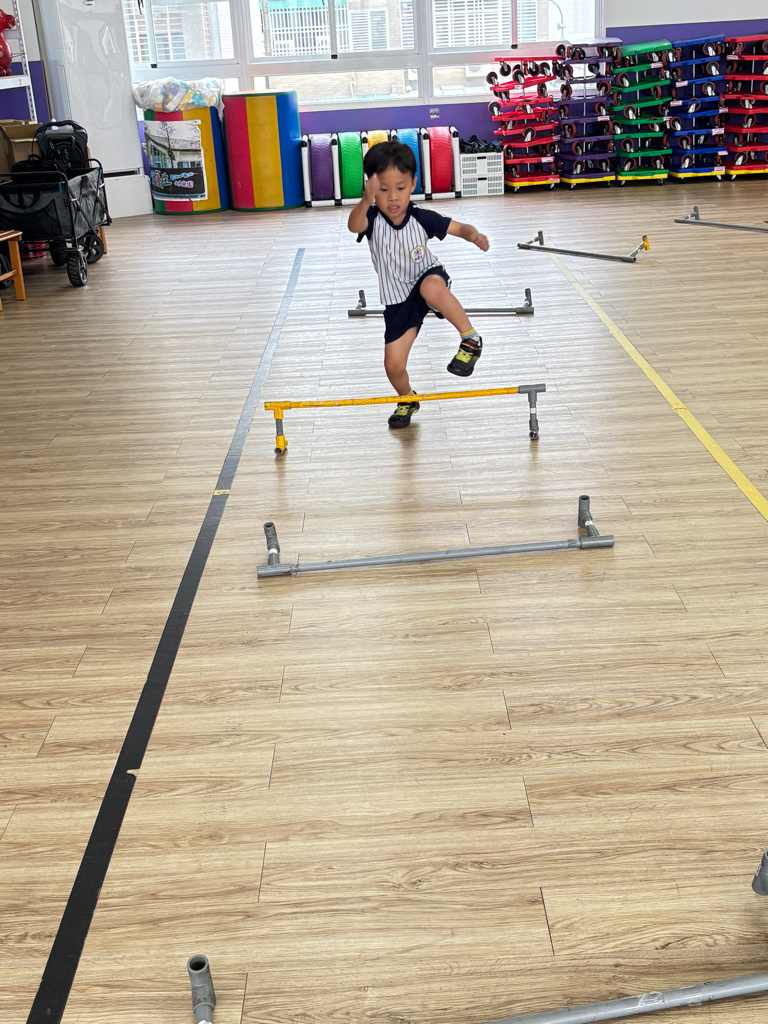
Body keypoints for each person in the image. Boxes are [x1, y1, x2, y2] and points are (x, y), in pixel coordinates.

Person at [348, 140, 489, 428]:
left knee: (431, 288)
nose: (392, 197)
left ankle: (471, 339)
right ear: (371, 189)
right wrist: (364, 201)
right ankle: (408, 398)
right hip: (397, 298)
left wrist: (473, 235)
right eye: (382, 190)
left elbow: (458, 227)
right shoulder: (371, 218)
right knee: (393, 366)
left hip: (427, 274)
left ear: (412, 184)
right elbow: (354, 225)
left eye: (400, 188)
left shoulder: (421, 217)